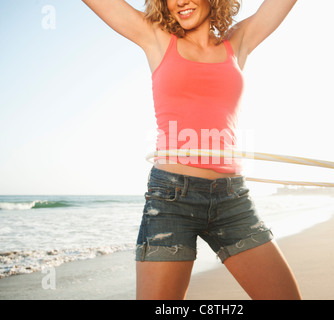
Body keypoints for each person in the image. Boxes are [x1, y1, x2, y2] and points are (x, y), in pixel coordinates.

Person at [82, 0, 301, 300]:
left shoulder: (238, 41)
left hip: (232, 198)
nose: (180, 1)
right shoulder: (156, 37)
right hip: (172, 200)